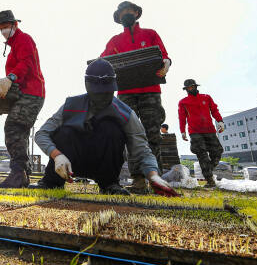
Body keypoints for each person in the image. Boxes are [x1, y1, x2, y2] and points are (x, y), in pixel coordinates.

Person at [32, 59, 178, 196]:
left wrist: (153, 176)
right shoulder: (71, 106)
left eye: (106, 93)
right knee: (65, 132)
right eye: (97, 93)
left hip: (103, 164)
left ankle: (109, 184)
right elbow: (41, 134)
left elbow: (141, 150)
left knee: (111, 128)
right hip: (68, 165)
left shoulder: (125, 114)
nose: (102, 97)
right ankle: (51, 182)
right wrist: (57, 155)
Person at [101, 1, 171, 176]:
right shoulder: (115, 41)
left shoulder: (150, 34)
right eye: (122, 12)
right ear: (118, 17)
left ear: (136, 13)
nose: (126, 14)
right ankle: (138, 179)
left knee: (152, 134)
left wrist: (166, 63)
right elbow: (103, 61)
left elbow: (163, 54)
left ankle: (156, 178)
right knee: (129, 134)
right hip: (126, 93)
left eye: (129, 10)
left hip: (151, 91)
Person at [0, 10, 45, 188]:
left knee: (13, 127)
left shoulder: (24, 39)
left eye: (6, 26)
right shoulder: (13, 48)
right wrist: (3, 103)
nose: (4, 30)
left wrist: (11, 78)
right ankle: (21, 175)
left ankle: (18, 173)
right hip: (23, 95)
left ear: (15, 25)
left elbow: (27, 63)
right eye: (1, 28)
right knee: (20, 133)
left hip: (32, 92)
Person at [178, 79, 225, 187]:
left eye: (192, 87)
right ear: (186, 90)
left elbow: (214, 110)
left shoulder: (206, 97)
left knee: (218, 151)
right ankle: (210, 180)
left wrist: (220, 121)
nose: (191, 89)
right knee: (202, 155)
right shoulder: (183, 102)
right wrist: (182, 131)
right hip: (195, 132)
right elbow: (182, 117)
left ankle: (208, 169)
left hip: (209, 130)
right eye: (188, 88)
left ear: (196, 87)